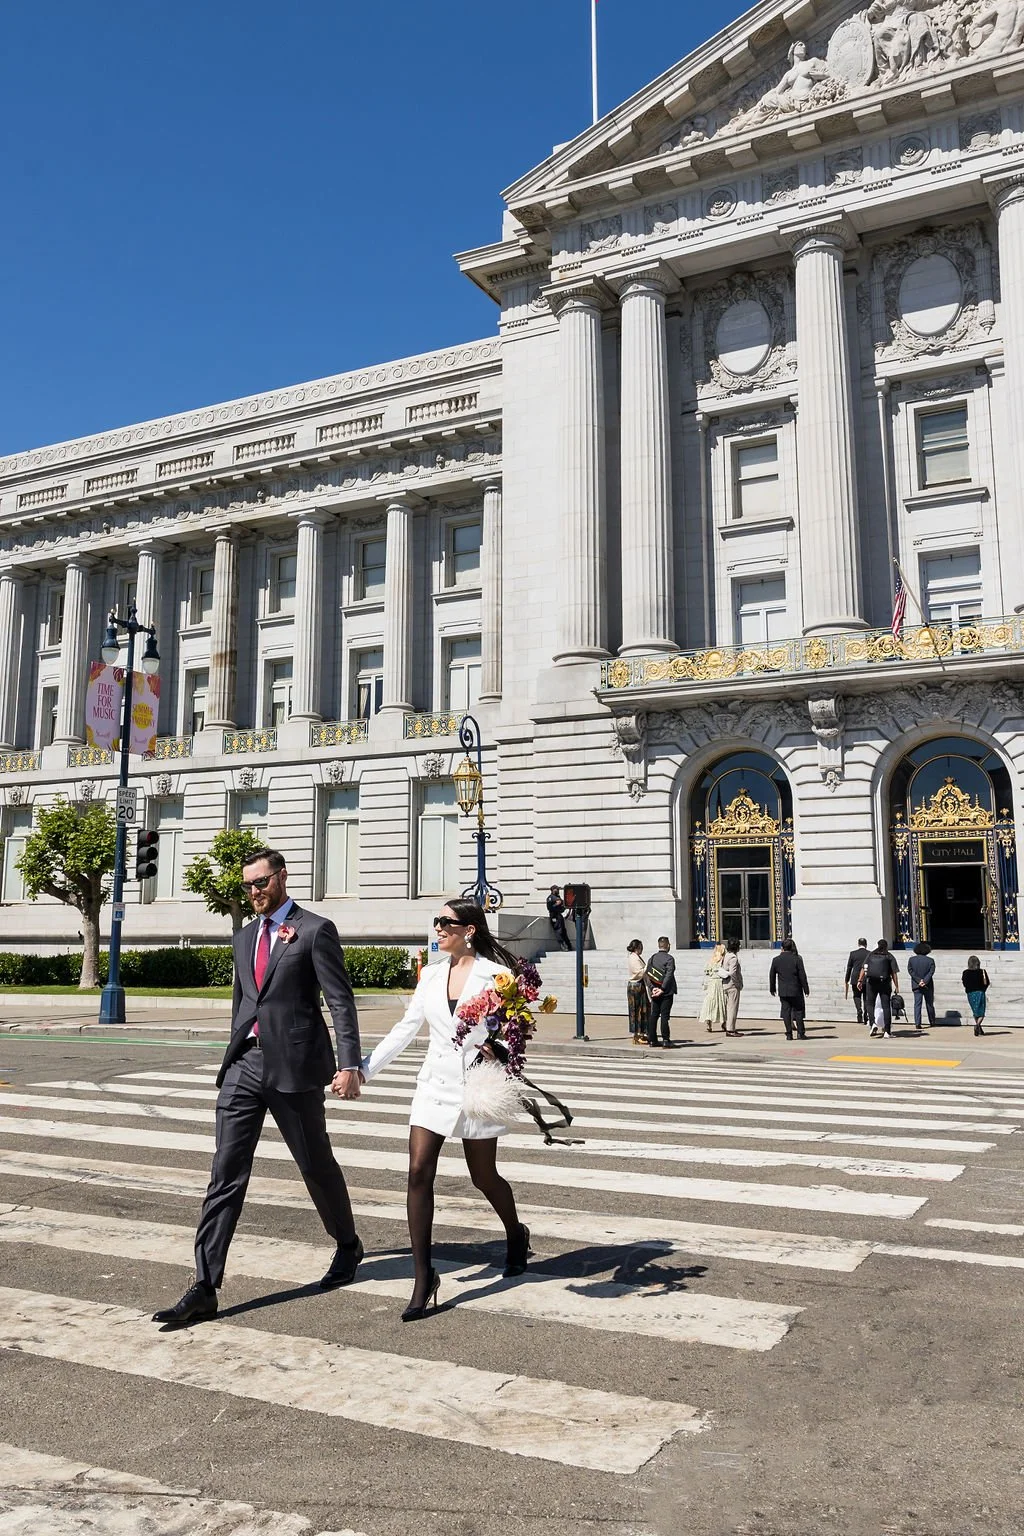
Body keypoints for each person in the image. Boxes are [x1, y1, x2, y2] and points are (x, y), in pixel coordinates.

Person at [153, 848, 364, 1326]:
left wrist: (348, 1063)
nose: (254, 892)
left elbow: (340, 1002)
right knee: (225, 1174)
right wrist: (231, 1058)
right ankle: (205, 1285)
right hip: (244, 1067)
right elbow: (241, 1004)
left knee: (315, 1164)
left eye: (261, 883)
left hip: (294, 1068)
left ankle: (348, 1244)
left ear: (282, 878)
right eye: (247, 885)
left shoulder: (314, 930)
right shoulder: (245, 936)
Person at [361, 899, 530, 1320]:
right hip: (434, 1085)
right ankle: (423, 1277)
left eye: (445, 923)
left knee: (483, 1177)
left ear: (469, 929)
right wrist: (363, 1070)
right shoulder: (431, 975)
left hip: (476, 1086)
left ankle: (515, 1233)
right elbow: (406, 1028)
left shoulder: (498, 977)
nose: (438, 929)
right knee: (418, 1173)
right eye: (436, 922)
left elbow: (517, 1027)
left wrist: (501, 1046)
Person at [769, 938, 810, 1040]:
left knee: (786, 1012)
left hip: (783, 990)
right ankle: (800, 1033)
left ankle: (789, 1034)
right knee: (798, 1011)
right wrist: (806, 989)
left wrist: (772, 988)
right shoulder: (797, 959)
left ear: (782, 948)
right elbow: (802, 976)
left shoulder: (776, 960)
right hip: (796, 990)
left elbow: (772, 975)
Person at [861, 939, 900, 1039]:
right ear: (886, 946)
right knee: (886, 1006)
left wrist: (859, 980)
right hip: (885, 983)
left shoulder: (871, 955)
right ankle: (887, 1031)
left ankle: (873, 1023)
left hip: (871, 982)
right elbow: (894, 972)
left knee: (870, 1003)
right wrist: (896, 985)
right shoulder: (889, 956)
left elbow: (863, 967)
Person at [645, 936, 678, 1047]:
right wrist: (662, 989)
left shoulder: (652, 958)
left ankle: (652, 1039)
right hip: (666, 992)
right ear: (668, 945)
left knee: (654, 1014)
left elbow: (647, 974)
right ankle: (665, 1039)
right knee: (664, 1016)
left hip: (654, 991)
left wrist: (652, 988)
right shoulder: (669, 959)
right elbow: (669, 975)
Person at [698, 943, 728, 1033]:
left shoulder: (711, 960)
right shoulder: (723, 960)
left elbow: (707, 971)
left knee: (710, 1002)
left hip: (712, 983)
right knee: (722, 1002)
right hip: (720, 982)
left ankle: (709, 1021)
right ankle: (724, 1022)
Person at [907, 941, 937, 1032]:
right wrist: (924, 981)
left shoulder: (911, 960)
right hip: (928, 985)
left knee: (917, 1004)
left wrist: (918, 980)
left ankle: (917, 1023)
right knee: (929, 1004)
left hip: (916, 985)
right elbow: (931, 972)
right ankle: (932, 1021)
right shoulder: (930, 961)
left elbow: (910, 971)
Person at [626, 939, 650, 1045]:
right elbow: (639, 972)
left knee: (643, 1009)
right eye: (640, 947)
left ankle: (642, 1032)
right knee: (636, 1009)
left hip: (640, 985)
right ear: (636, 948)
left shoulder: (636, 957)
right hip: (635, 985)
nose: (642, 949)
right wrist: (648, 967)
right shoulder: (633, 958)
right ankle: (636, 1034)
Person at [961, 955, 990, 1036]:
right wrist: (983, 989)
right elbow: (987, 982)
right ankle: (977, 1025)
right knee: (981, 1012)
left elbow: (964, 983)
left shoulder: (965, 972)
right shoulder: (982, 971)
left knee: (975, 1011)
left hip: (970, 993)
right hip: (980, 992)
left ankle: (979, 1027)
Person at [721, 937, 744, 1037]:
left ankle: (728, 1026)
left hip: (726, 984)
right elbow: (733, 973)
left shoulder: (726, 956)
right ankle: (730, 1029)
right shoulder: (733, 958)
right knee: (732, 1008)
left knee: (729, 1007)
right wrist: (738, 984)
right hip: (732, 985)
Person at [844, 939, 870, 1025]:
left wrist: (846, 979)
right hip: (866, 978)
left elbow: (849, 967)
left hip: (855, 978)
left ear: (858, 944)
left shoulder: (853, 954)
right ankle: (866, 1013)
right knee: (866, 997)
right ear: (866, 944)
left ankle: (859, 1010)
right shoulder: (869, 953)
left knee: (856, 996)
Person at [546, 886, 572, 951]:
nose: (557, 890)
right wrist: (557, 904)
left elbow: (562, 908)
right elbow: (550, 908)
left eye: (558, 889)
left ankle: (569, 945)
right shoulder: (550, 898)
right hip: (554, 916)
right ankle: (562, 945)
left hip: (559, 915)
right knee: (558, 930)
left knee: (563, 931)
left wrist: (564, 907)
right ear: (552, 890)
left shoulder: (558, 897)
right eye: (556, 889)